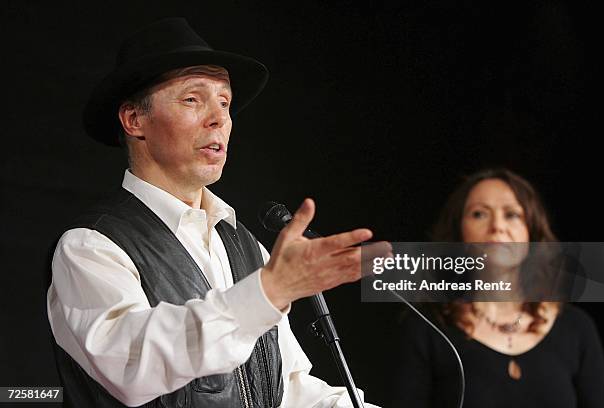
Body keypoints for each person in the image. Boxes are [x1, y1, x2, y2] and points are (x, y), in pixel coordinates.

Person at [47, 18, 390, 408]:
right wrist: (267, 293)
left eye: (224, 102)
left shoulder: (246, 247)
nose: (219, 119)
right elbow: (133, 365)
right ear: (134, 120)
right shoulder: (91, 246)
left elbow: (289, 390)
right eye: (193, 99)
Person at [391, 168, 604, 408]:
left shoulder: (577, 328)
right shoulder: (427, 328)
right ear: (458, 235)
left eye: (512, 214)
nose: (497, 226)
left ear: (531, 232)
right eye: (479, 214)